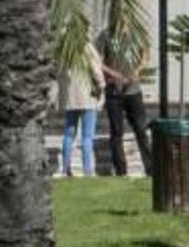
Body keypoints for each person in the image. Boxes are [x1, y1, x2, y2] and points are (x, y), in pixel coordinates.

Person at [100, 33, 153, 177]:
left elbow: (146, 56)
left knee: (141, 130)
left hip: (133, 91)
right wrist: (115, 74)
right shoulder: (106, 36)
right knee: (116, 132)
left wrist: (136, 72)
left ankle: (150, 169)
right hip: (114, 92)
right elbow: (99, 62)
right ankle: (121, 171)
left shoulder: (136, 33)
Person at [58, 39, 105, 177]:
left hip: (70, 98)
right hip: (87, 96)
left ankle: (65, 169)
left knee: (68, 134)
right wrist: (102, 86)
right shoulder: (87, 46)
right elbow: (96, 69)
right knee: (87, 137)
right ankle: (87, 171)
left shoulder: (64, 47)